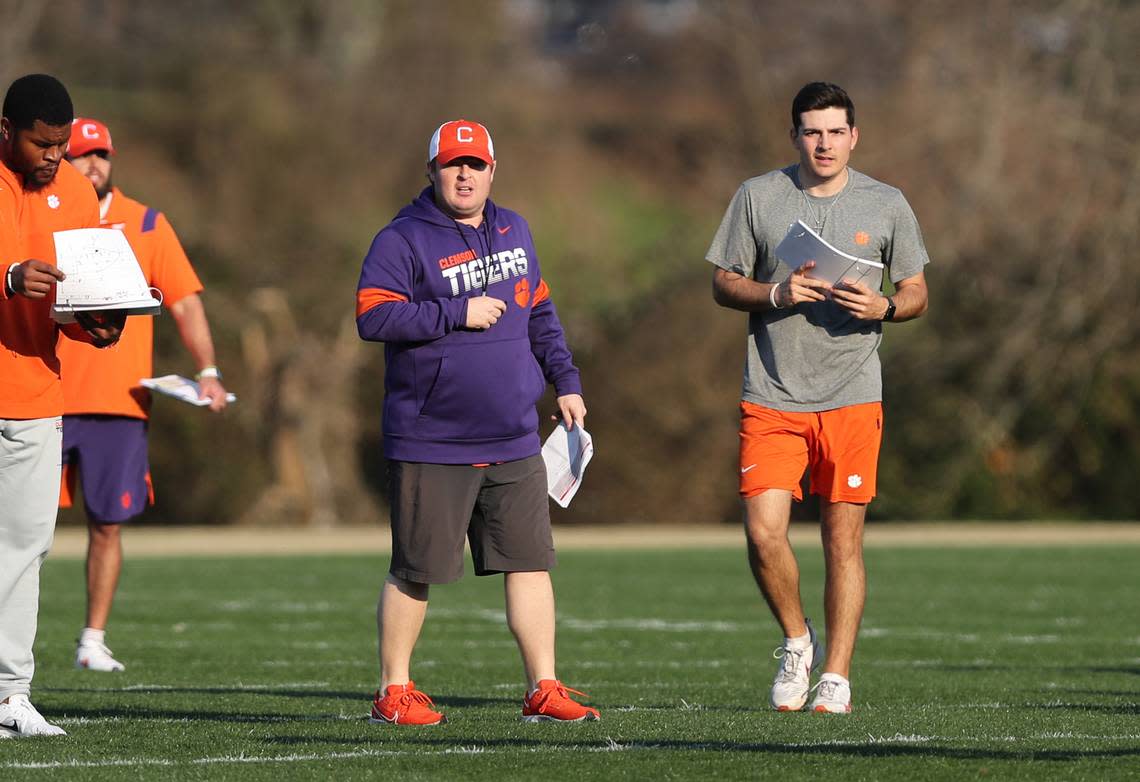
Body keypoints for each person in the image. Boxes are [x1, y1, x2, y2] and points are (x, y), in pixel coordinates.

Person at [355, 120, 598, 725]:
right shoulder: (402, 238)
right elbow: (373, 317)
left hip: (513, 433)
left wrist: (564, 381)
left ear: (493, 170)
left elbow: (539, 309)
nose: (464, 175)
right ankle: (395, 690)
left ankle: (543, 686)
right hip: (432, 435)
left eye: (475, 164)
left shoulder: (515, 228)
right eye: (452, 164)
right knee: (417, 568)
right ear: (431, 170)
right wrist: (454, 311)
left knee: (530, 562)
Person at [707, 82, 930, 714]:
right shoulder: (758, 196)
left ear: (854, 136)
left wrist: (886, 304)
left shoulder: (886, 203)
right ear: (794, 136)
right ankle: (797, 640)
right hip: (772, 392)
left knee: (843, 542)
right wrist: (775, 295)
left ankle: (835, 675)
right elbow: (724, 281)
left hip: (853, 395)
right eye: (812, 131)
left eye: (835, 131)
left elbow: (916, 288)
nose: (824, 143)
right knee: (762, 532)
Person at [58, 117, 229, 673]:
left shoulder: (147, 223)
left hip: (119, 403)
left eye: (100, 154)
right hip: (46, 397)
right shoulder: (45, 214)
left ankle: (92, 639)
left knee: (107, 525)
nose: (92, 164)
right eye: (81, 154)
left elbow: (184, 302)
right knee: (22, 528)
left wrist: (207, 368)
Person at [0, 74, 125, 738]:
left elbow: (80, 299)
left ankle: (8, 696)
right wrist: (6, 278)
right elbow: (15, 277)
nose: (53, 156)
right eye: (40, 143)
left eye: (60, 145)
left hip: (34, 395)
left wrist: (97, 326)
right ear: (5, 131)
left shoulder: (77, 192)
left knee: (25, 548)